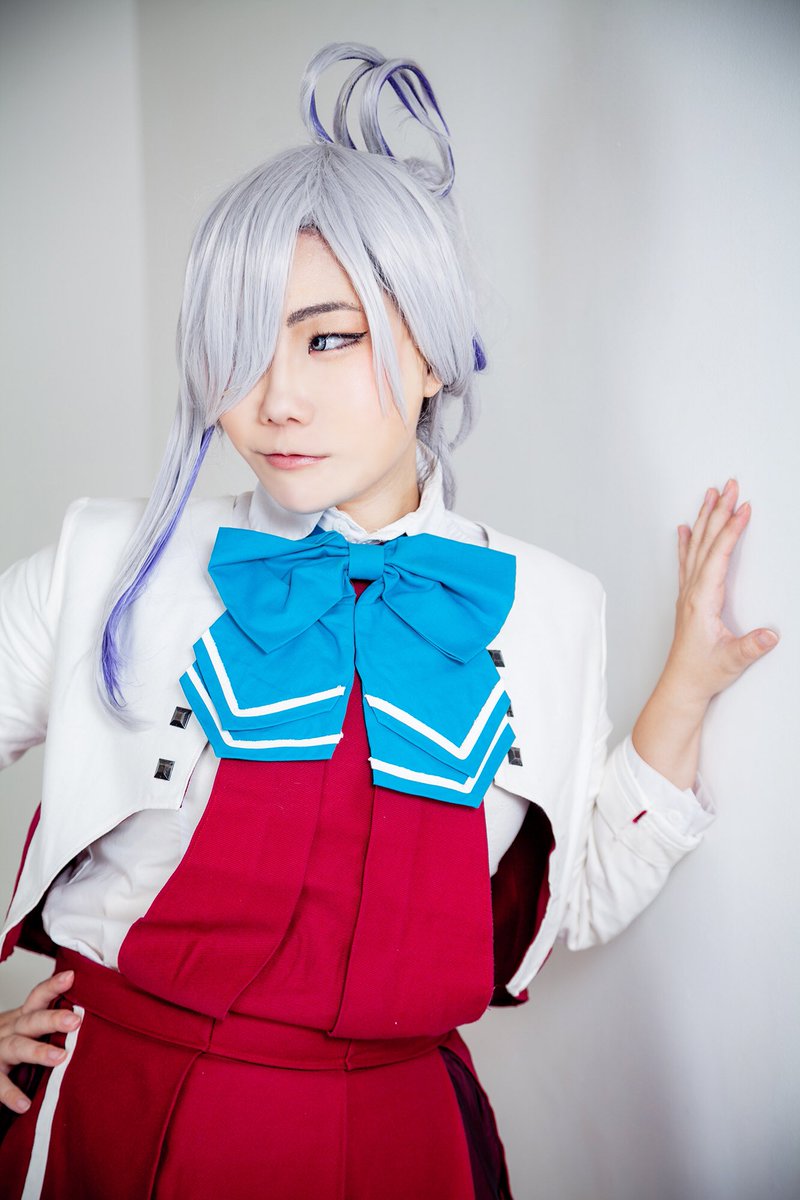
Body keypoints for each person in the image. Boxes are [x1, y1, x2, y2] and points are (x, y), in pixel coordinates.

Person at [0, 40, 778, 1200]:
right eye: (236, 347)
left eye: (328, 337)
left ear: (431, 352)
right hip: (122, 1113)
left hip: (406, 1142)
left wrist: (682, 692)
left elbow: (569, 899)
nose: (274, 399)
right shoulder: (107, 563)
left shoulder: (547, 606)